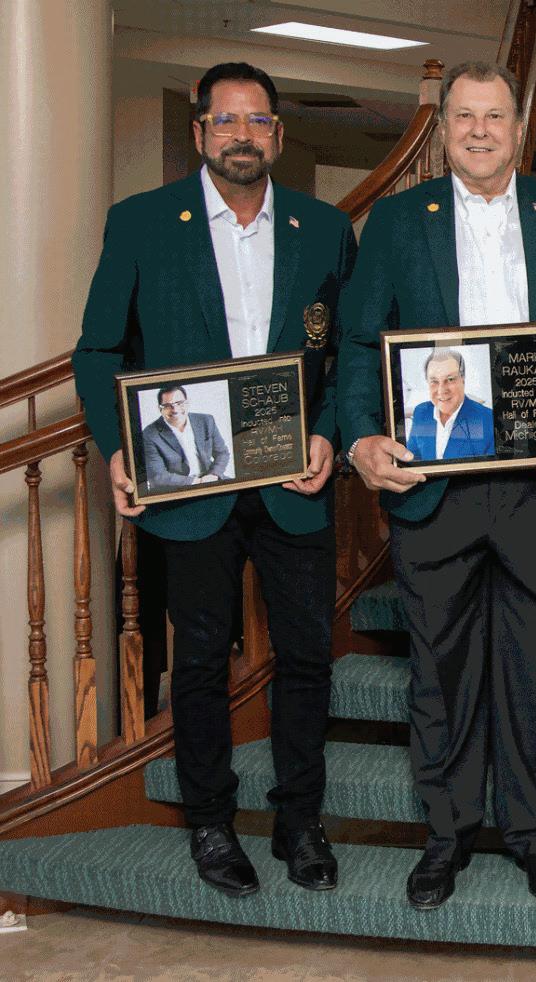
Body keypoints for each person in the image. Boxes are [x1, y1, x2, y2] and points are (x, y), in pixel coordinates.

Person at [338, 60, 536, 909]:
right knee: (441, 668)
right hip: (435, 481)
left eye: (495, 116)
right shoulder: (397, 220)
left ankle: (535, 834)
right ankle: (448, 834)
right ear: (444, 129)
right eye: (464, 116)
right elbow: (359, 343)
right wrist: (360, 438)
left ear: (518, 127)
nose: (480, 131)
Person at [73, 62, 357, 898]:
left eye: (258, 121)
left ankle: (300, 823)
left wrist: (329, 433)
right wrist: (118, 448)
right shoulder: (141, 222)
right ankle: (210, 822)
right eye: (226, 120)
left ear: (278, 135)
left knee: (307, 658)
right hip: (190, 488)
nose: (242, 134)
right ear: (200, 131)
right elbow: (98, 350)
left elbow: (350, 352)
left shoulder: (323, 228)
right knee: (198, 661)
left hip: (292, 482)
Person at [406, 349, 495, 461]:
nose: (441, 390)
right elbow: (412, 460)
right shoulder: (421, 412)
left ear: (463, 379)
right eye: (434, 381)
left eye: (450, 379)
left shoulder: (489, 420)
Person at [141, 384, 232, 490]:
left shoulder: (206, 421)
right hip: (177, 488)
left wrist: (213, 475)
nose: (175, 409)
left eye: (179, 403)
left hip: (209, 478)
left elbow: (222, 453)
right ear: (160, 409)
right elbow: (158, 477)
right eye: (167, 406)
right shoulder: (149, 434)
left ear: (187, 403)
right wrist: (197, 482)